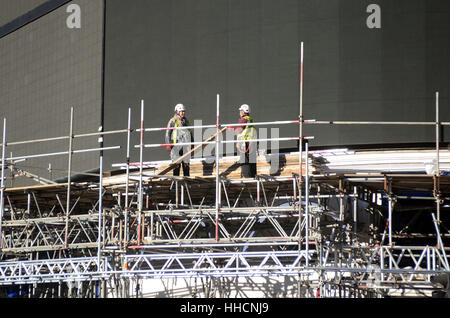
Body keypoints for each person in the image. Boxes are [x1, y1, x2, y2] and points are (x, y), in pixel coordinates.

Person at [229, 104, 257, 178]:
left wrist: (231, 128)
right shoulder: (250, 120)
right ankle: (254, 178)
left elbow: (238, 130)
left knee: (245, 162)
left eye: (241, 110)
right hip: (252, 144)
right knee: (252, 163)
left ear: (243, 111)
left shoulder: (243, 119)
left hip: (245, 144)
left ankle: (248, 179)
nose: (240, 112)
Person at [165, 104, 193, 176]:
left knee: (186, 167)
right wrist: (168, 143)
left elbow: (190, 132)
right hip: (176, 147)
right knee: (176, 167)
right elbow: (168, 132)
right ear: (177, 111)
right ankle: (176, 186)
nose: (183, 113)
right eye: (181, 111)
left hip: (185, 147)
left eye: (183, 111)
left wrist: (192, 144)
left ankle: (186, 184)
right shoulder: (173, 121)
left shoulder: (186, 121)